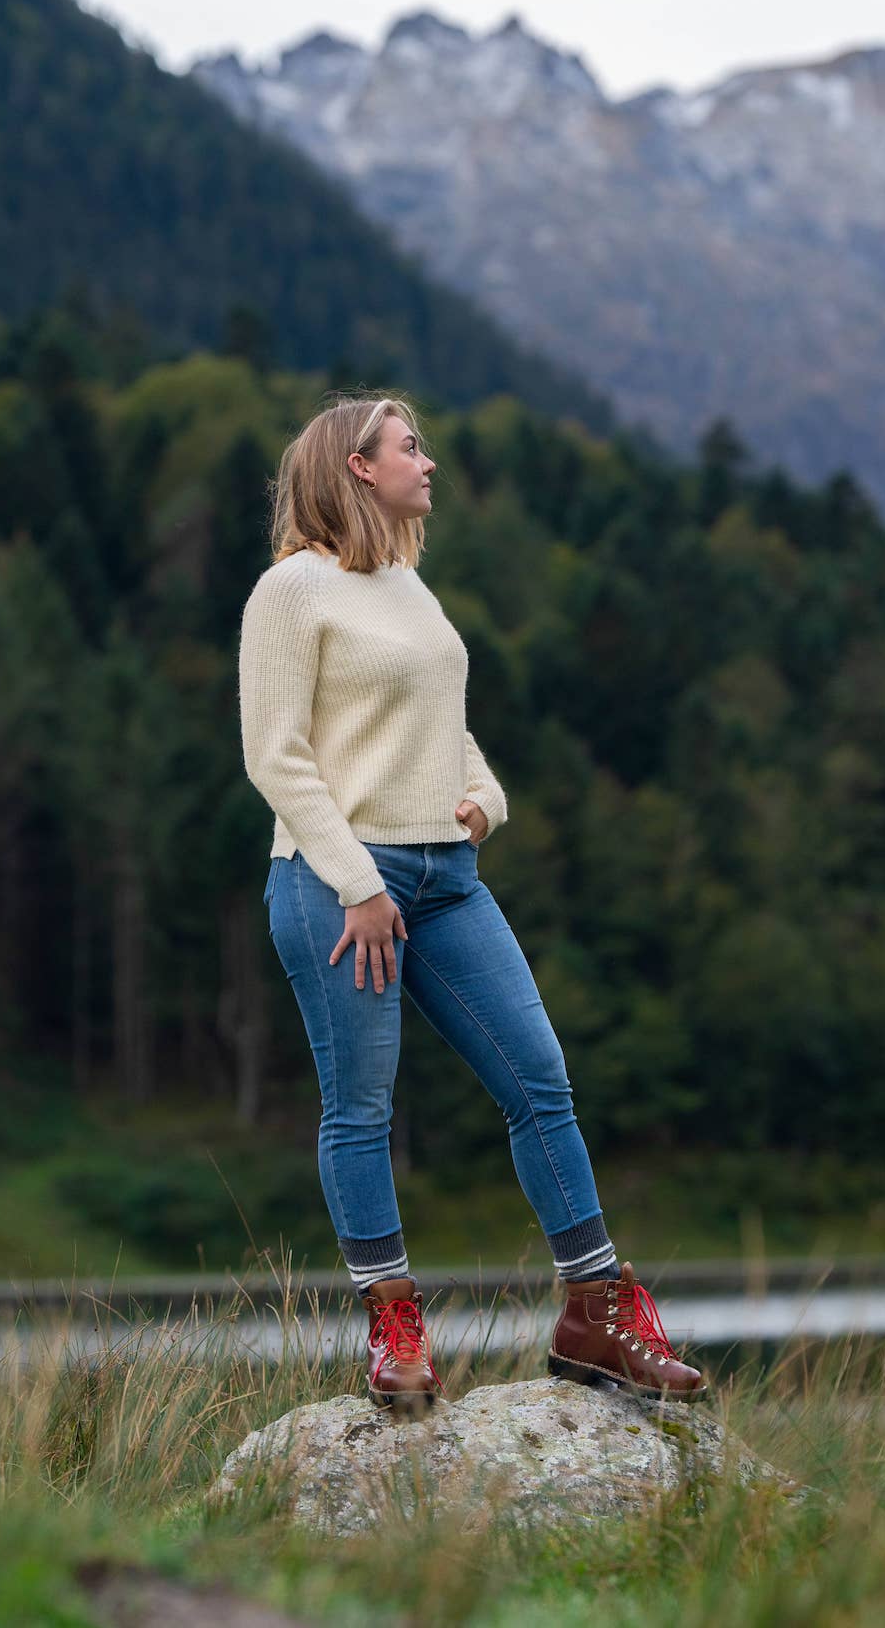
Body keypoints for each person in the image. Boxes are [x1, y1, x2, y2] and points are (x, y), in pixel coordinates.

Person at [237, 394, 706, 1409]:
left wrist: (485, 795)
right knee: (359, 1108)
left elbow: (439, 721)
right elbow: (274, 755)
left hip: (448, 878)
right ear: (357, 467)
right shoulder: (292, 590)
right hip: (336, 882)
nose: (430, 463)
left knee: (541, 1080)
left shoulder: (407, 582)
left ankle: (595, 1312)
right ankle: (395, 1332)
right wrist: (357, 883)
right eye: (412, 447)